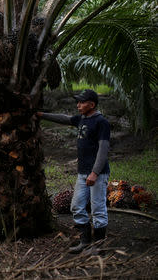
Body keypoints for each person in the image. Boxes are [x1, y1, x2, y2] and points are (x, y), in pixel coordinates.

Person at [37, 89, 110, 253]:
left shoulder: (101, 122)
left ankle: (99, 247)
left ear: (92, 104)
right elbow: (64, 118)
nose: (78, 105)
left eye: (81, 102)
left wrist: (95, 173)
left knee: (98, 209)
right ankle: (85, 242)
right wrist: (42, 114)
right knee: (76, 206)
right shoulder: (81, 119)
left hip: (96, 174)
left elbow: (103, 150)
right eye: (77, 102)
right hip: (82, 173)